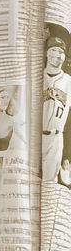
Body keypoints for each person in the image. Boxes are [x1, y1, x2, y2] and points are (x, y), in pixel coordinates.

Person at [42, 35, 71, 182]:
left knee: (49, 183)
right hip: (33, 137)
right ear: (46, 53)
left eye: (61, 52)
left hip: (55, 138)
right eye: (53, 50)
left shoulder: (68, 81)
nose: (57, 55)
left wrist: (67, 154)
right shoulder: (36, 77)